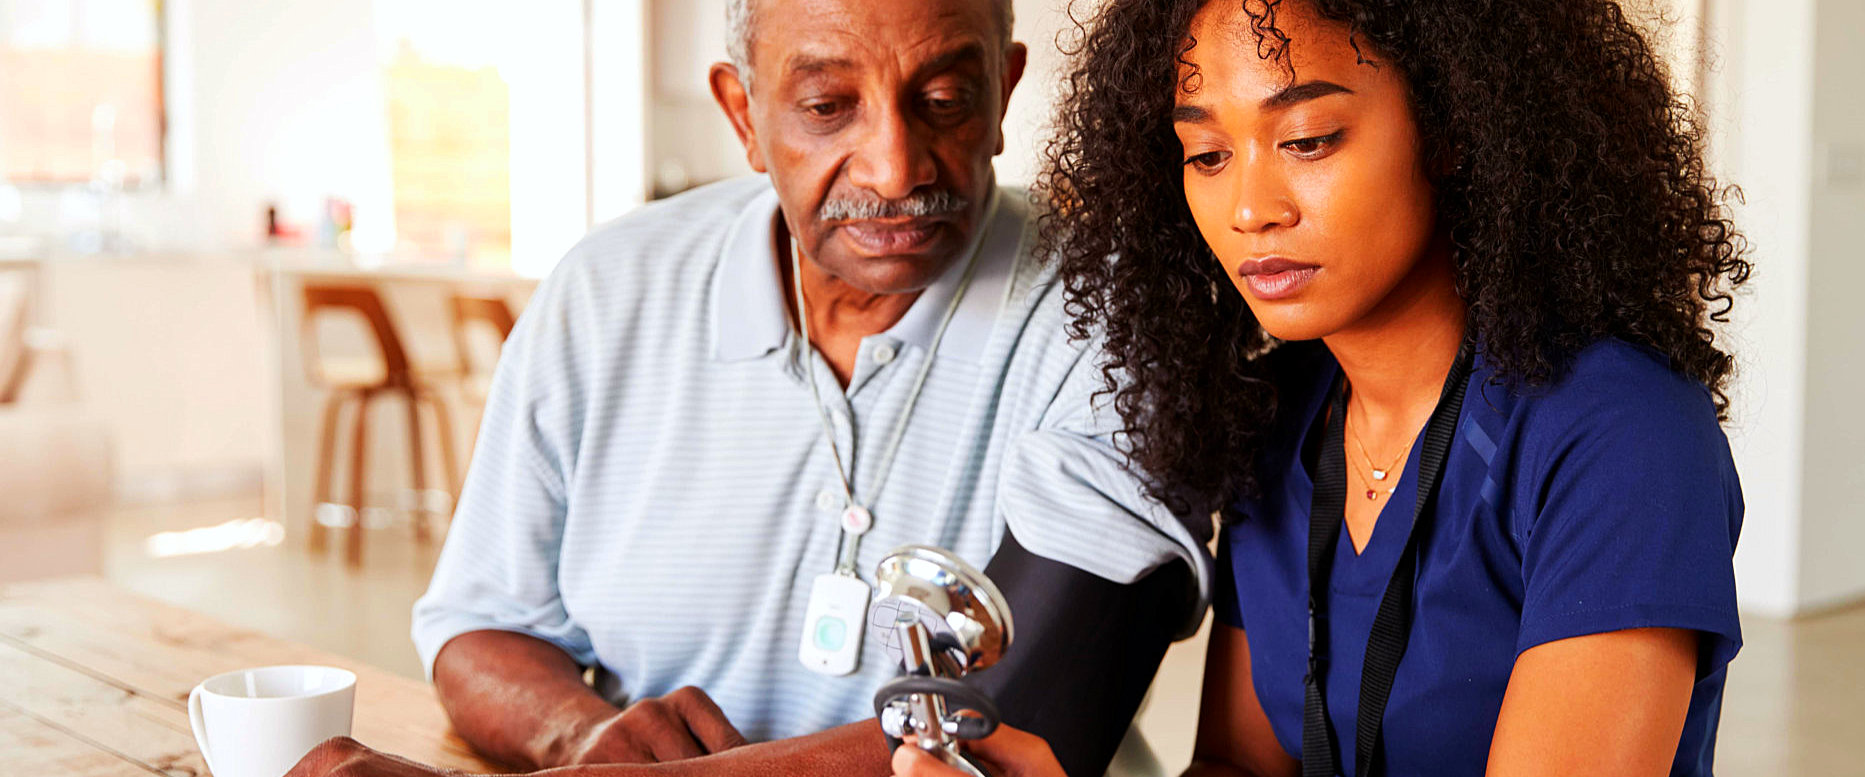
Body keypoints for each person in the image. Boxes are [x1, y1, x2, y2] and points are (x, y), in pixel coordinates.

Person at [282, 0, 1208, 776]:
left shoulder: (1120, 312)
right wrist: (582, 733)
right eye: (825, 106)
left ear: (1003, 93)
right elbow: (481, 626)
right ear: (742, 114)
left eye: (944, 98)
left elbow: (1014, 728)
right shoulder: (606, 293)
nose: (896, 166)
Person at [894, 0, 1750, 775]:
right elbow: (1241, 767)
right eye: (1207, 153)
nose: (1250, 208)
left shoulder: (1624, 438)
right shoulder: (1280, 414)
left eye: (1306, 140)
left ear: (1454, 127)